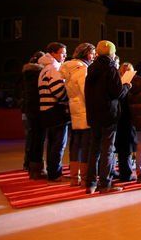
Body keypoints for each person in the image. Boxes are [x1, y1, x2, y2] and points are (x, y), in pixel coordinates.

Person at [84, 40, 131, 194]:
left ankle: (90, 183)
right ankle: (105, 183)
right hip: (108, 115)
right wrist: (126, 86)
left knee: (94, 149)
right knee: (107, 150)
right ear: (112, 53)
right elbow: (117, 93)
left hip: (93, 114)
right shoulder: (110, 69)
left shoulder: (91, 68)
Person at [60, 43, 95, 187]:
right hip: (84, 111)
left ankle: (74, 177)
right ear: (86, 54)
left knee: (75, 145)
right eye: (92, 53)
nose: (94, 56)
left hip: (75, 109)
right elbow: (86, 92)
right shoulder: (82, 69)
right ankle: (85, 178)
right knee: (85, 145)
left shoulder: (70, 69)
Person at [37, 42, 70, 183]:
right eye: (62, 53)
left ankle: (52, 172)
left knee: (52, 144)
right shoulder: (54, 68)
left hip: (46, 110)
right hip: (56, 111)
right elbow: (58, 90)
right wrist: (68, 98)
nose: (65, 56)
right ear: (53, 53)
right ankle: (55, 173)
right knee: (58, 144)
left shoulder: (45, 68)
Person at [21, 51, 46, 180]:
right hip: (38, 109)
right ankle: (36, 168)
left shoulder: (26, 73)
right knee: (38, 138)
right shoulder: (38, 73)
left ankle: (29, 165)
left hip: (28, 109)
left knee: (31, 137)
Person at [115, 62, 137, 182]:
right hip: (124, 118)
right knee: (125, 148)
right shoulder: (122, 85)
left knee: (125, 148)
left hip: (126, 118)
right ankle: (126, 173)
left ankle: (125, 171)